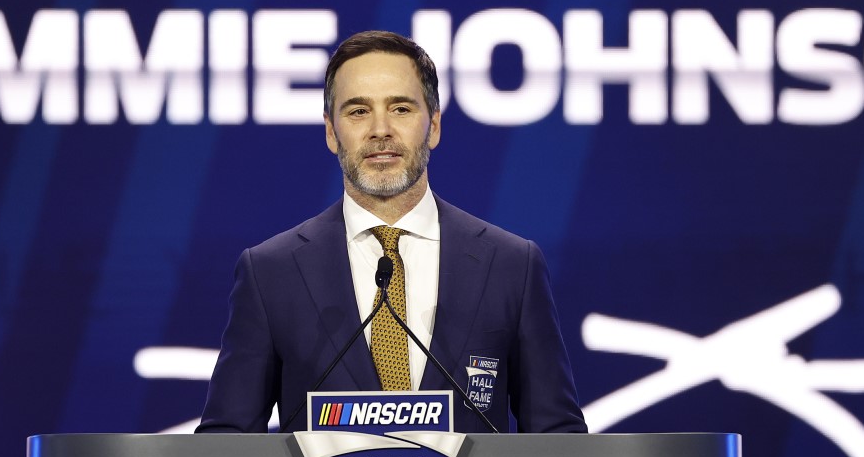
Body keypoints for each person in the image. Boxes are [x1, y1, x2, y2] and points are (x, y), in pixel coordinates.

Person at [197, 30, 586, 435]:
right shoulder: (270, 273)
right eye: (358, 111)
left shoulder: (512, 265)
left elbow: (557, 439)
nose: (380, 130)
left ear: (433, 125)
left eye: (400, 109)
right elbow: (225, 446)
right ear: (331, 132)